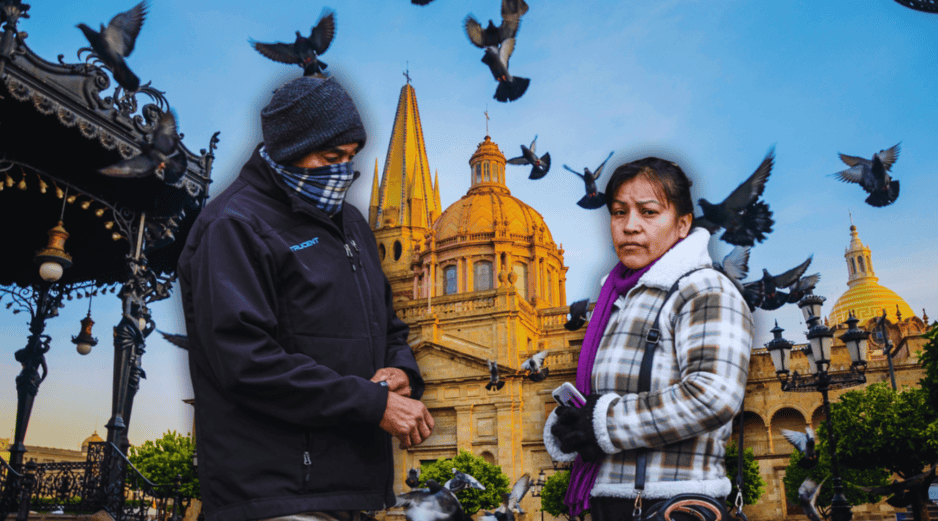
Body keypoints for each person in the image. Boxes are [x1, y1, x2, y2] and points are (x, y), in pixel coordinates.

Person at [177, 75, 435, 521]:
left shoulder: (351, 224)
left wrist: (402, 370)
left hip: (349, 490)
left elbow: (390, 325)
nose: (341, 172)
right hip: (274, 493)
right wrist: (373, 403)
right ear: (287, 149)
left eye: (350, 159)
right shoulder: (233, 225)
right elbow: (246, 362)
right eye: (330, 157)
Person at [543, 157, 753, 521]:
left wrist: (600, 423)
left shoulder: (706, 289)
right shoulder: (616, 299)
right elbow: (605, 398)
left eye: (649, 212)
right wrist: (571, 425)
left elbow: (713, 396)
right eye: (619, 212)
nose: (630, 227)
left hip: (673, 504)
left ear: (683, 223)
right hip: (609, 502)